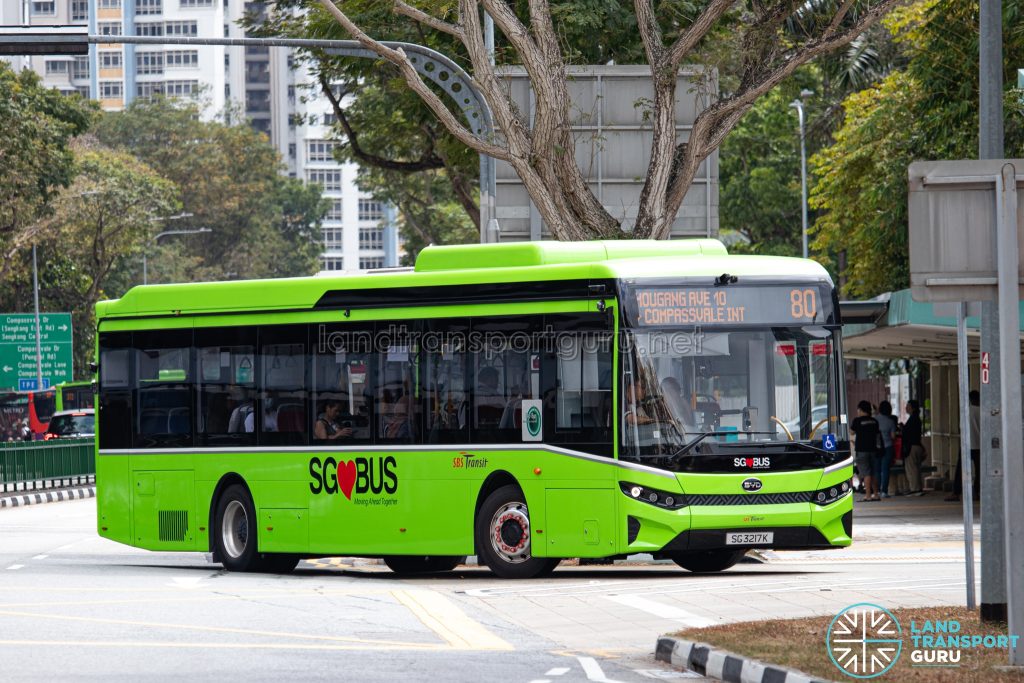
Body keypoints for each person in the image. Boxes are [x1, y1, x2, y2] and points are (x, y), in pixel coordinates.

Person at [947, 390, 981, 502]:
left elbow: (961, 427)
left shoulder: (966, 411)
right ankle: (977, 491)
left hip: (966, 445)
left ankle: (956, 492)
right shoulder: (982, 411)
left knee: (960, 469)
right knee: (980, 470)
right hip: (979, 445)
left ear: (970, 399)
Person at [851, 400, 881, 501]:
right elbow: (877, 435)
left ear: (860, 410)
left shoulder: (857, 421)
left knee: (866, 473)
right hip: (873, 450)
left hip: (862, 450)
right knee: (873, 472)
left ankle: (868, 495)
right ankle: (876, 494)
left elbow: (851, 432)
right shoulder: (874, 421)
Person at [902, 399, 926, 496]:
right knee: (916, 468)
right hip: (917, 446)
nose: (906, 408)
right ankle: (918, 488)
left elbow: (907, 433)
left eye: (908, 406)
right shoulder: (916, 419)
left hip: (912, 447)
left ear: (913, 408)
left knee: (911, 468)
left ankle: (915, 489)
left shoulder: (913, 419)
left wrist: (902, 428)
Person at [875, 401, 898, 498]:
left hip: (876, 447)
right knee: (885, 469)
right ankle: (884, 491)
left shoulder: (875, 420)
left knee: (877, 469)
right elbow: (893, 436)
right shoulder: (891, 421)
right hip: (888, 447)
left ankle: (877, 491)